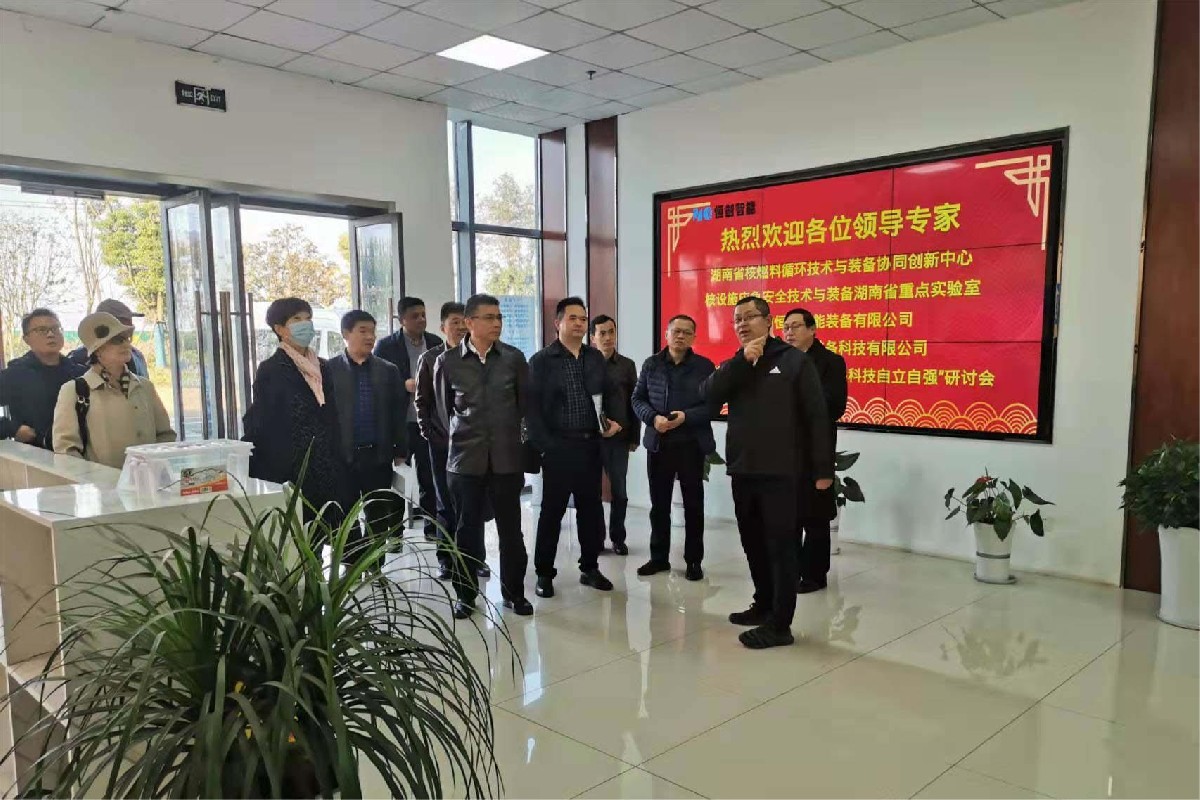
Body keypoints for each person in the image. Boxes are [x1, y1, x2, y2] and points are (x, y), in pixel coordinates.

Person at [701, 296, 833, 650]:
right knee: (753, 543)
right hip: (744, 469)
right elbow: (708, 395)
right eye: (737, 319)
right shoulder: (739, 362)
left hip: (783, 473)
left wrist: (822, 471)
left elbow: (817, 417)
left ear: (768, 320)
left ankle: (780, 624)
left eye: (749, 317)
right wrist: (741, 362)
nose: (742, 324)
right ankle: (763, 604)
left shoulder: (793, 361)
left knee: (782, 547)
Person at [429, 294, 532, 619]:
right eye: (489, 317)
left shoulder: (513, 359)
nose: (497, 323)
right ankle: (465, 595)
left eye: (499, 317)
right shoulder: (447, 362)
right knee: (466, 531)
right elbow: (444, 413)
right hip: (465, 462)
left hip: (506, 460)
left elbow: (524, 406)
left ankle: (514, 593)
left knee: (511, 532)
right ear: (469, 322)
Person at [527, 297, 625, 598]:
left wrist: (614, 422)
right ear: (558, 323)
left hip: (590, 445)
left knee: (590, 510)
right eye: (573, 318)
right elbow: (531, 410)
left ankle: (590, 567)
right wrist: (545, 446)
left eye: (583, 319)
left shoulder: (594, 358)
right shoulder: (541, 360)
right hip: (558, 446)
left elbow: (609, 393)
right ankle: (544, 573)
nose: (580, 323)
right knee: (551, 513)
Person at [242, 297, 347, 525]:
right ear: (279, 329)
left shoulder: (323, 367)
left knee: (332, 529)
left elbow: (332, 415)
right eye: (297, 319)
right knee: (300, 532)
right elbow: (265, 421)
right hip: (292, 468)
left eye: (308, 318)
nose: (305, 324)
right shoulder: (271, 369)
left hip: (326, 464)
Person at [631, 314, 715, 581]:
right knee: (659, 505)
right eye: (676, 331)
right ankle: (659, 558)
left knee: (693, 506)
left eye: (687, 332)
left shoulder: (704, 366)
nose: (681, 336)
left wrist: (686, 417)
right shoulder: (652, 364)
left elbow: (712, 406)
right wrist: (652, 418)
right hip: (660, 444)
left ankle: (693, 561)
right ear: (666, 334)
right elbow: (637, 399)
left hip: (691, 445)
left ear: (694, 337)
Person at [327, 310, 407, 563]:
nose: (370, 337)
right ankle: (351, 564)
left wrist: (400, 450)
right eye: (363, 331)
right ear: (345, 334)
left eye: (372, 331)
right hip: (342, 457)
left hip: (378, 455)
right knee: (345, 515)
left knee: (378, 514)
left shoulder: (388, 370)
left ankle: (375, 565)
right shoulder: (329, 370)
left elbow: (398, 413)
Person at [52, 311, 174, 468]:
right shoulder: (74, 391)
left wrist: (154, 468)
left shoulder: (145, 387)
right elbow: (66, 451)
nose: (126, 344)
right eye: (117, 340)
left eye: (127, 338)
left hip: (147, 479)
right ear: (98, 350)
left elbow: (165, 435)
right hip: (101, 482)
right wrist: (89, 479)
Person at [783, 308, 848, 594]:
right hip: (783, 449)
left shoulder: (830, 362)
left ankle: (815, 575)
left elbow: (836, 406)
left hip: (815, 448)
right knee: (788, 515)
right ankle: (791, 569)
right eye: (786, 327)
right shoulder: (780, 361)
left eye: (796, 326)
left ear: (812, 329)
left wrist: (798, 403)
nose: (789, 332)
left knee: (815, 515)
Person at [374, 297, 442, 540]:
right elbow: (378, 383)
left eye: (423, 314)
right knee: (396, 480)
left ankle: (432, 529)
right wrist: (403, 385)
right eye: (415, 316)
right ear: (402, 319)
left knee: (429, 478)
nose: (421, 319)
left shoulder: (435, 343)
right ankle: (394, 533)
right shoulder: (386, 346)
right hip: (400, 423)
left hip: (427, 422)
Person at [415, 301, 472, 580]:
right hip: (441, 444)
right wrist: (430, 433)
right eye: (454, 322)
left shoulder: (476, 356)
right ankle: (446, 558)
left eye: (464, 322)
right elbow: (422, 402)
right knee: (444, 502)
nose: (461, 327)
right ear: (442, 327)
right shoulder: (430, 358)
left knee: (472, 503)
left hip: (471, 444)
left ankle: (473, 557)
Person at [589, 314, 639, 556]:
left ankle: (618, 538)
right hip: (591, 439)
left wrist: (634, 437)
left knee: (619, 491)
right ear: (593, 337)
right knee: (592, 492)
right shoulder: (586, 364)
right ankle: (596, 539)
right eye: (602, 333)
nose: (608, 337)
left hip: (619, 437)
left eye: (611, 332)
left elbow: (635, 402)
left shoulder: (627, 365)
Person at [0, 309, 85, 449]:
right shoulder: (14, 374)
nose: (51, 334)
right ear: (26, 339)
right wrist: (12, 429)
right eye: (41, 330)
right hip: (36, 454)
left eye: (55, 329)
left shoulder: (79, 373)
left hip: (79, 452)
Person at [68, 299, 149, 378]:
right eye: (123, 320)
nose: (130, 325)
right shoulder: (76, 360)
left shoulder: (137, 356)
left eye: (130, 320)